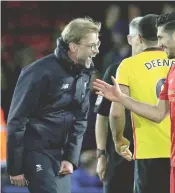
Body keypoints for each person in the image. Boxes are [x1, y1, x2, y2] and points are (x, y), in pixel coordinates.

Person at [93, 12, 175, 193]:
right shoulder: (174, 69)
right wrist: (122, 99)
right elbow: (157, 113)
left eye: (161, 37)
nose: (159, 43)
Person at [7, 17, 101, 193]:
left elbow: (80, 119)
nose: (96, 51)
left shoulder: (85, 72)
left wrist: (70, 158)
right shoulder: (38, 72)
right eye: (91, 46)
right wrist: (15, 166)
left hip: (61, 154)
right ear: (74, 47)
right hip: (36, 150)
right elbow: (16, 120)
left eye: (97, 44)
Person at [111, 14, 175, 193]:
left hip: (148, 152)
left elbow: (117, 112)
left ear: (139, 38)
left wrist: (118, 140)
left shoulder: (128, 65)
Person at [94, 16, 142, 193]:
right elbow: (103, 115)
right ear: (130, 39)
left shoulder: (165, 70)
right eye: (139, 37)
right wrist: (100, 155)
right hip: (118, 159)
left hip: (153, 157)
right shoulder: (114, 69)